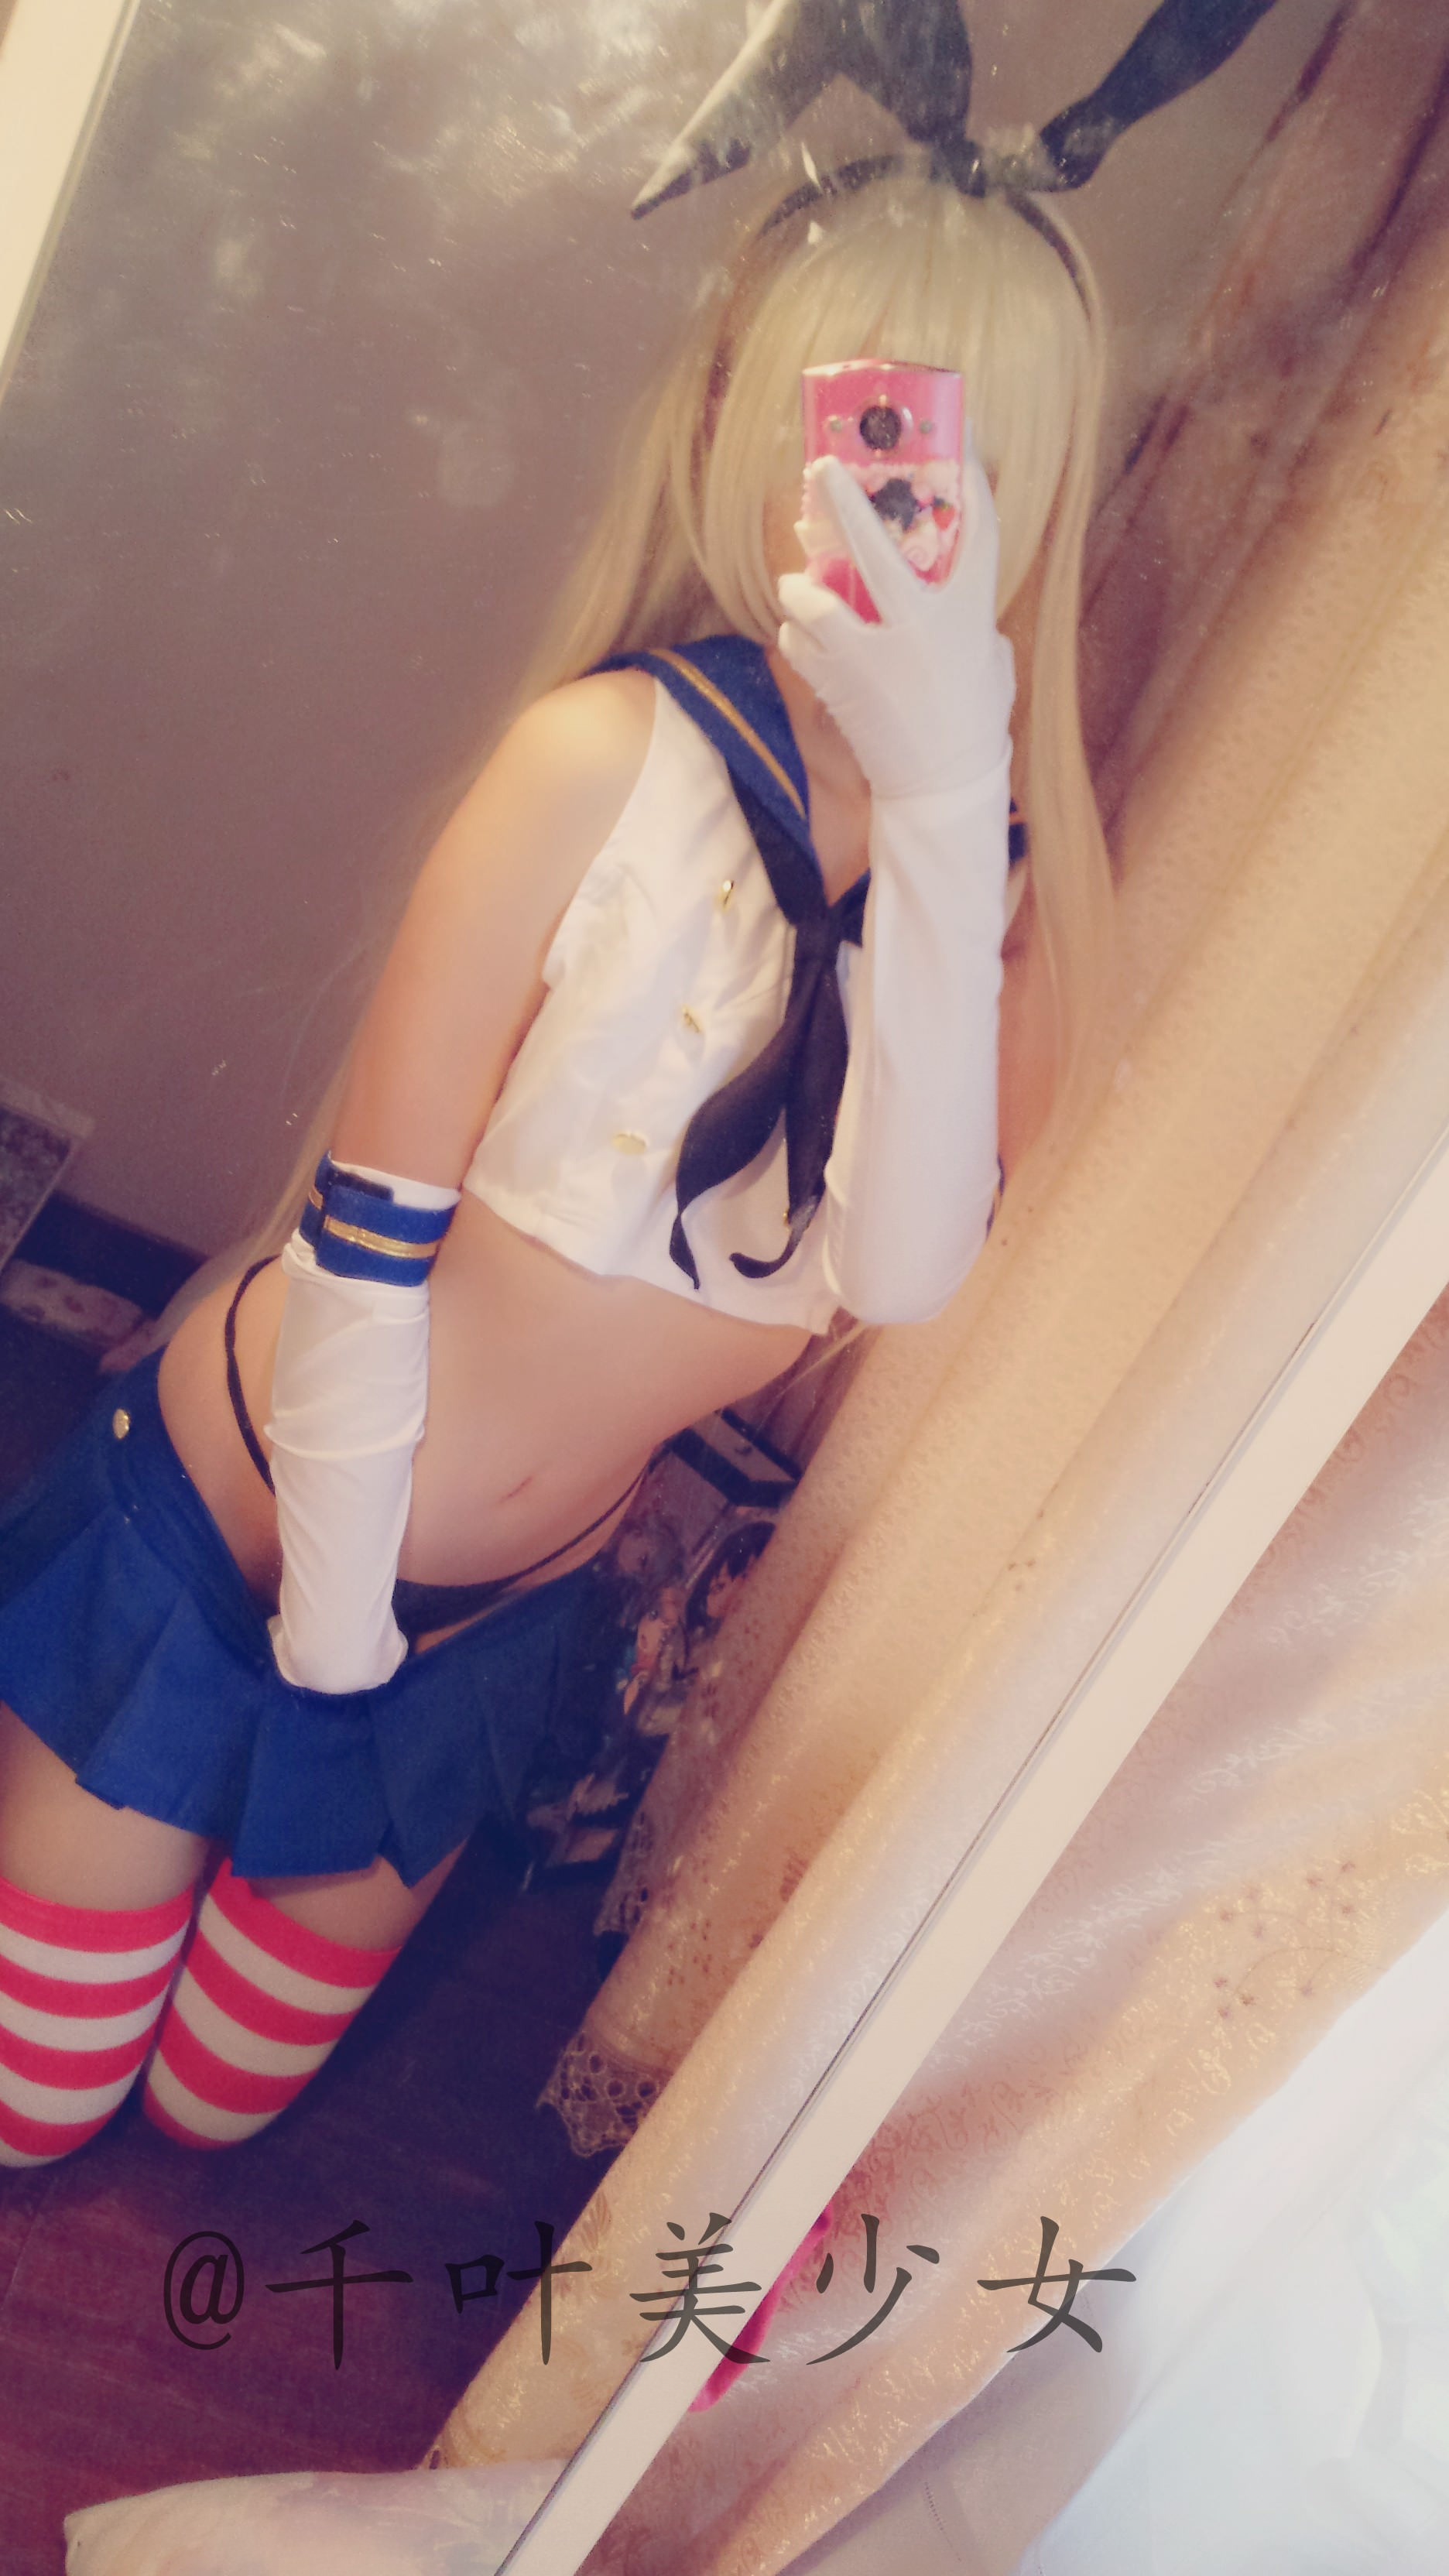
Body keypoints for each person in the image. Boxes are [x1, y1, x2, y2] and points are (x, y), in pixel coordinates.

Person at [0, 166, 1111, 2167]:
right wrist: (329, 1621)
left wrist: (953, 800)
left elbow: (899, 1268)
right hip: (249, 1516)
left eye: (957, 460)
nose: (893, 508)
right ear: (752, 431)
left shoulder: (1011, 927)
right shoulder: (599, 761)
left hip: (488, 1625)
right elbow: (366, 1236)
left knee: (213, 2114)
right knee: (31, 2100)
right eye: (860, 433)